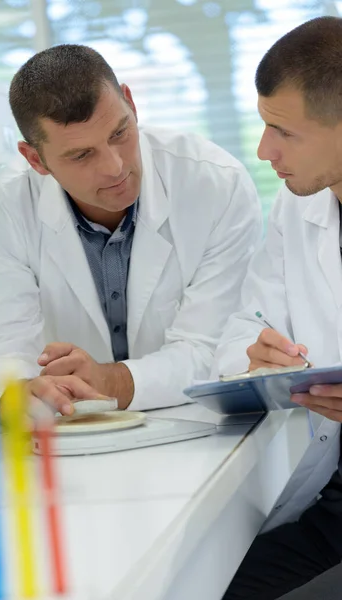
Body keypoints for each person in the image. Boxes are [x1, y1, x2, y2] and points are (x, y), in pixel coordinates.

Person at [0, 44, 261, 419]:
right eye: (81, 155)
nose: (115, 167)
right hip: (74, 435)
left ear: (131, 104)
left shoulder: (215, 182)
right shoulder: (3, 212)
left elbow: (215, 350)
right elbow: (5, 352)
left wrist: (110, 382)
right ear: (35, 159)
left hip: (200, 423)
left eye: (120, 132)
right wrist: (22, 391)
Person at [213, 16, 342, 600]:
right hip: (332, 499)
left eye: (281, 131)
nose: (264, 151)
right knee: (211, 587)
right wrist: (254, 353)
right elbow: (248, 321)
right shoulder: (298, 208)